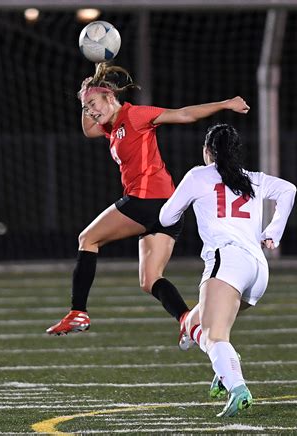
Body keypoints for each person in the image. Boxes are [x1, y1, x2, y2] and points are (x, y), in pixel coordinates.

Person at [46, 63, 250, 336]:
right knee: (150, 279)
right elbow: (89, 130)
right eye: (86, 108)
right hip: (166, 207)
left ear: (110, 96)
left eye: (93, 104)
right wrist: (85, 96)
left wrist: (226, 103)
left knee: (87, 239)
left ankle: (78, 312)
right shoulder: (111, 126)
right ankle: (189, 322)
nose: (91, 112)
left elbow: (185, 114)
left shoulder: (135, 115)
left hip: (148, 199)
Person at [159, 123, 296, 417]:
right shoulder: (253, 179)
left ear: (208, 151)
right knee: (192, 324)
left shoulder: (199, 175)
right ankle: (225, 366)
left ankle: (237, 387)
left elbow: (166, 216)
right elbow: (288, 189)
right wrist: (274, 230)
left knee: (213, 336)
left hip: (228, 262)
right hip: (258, 270)